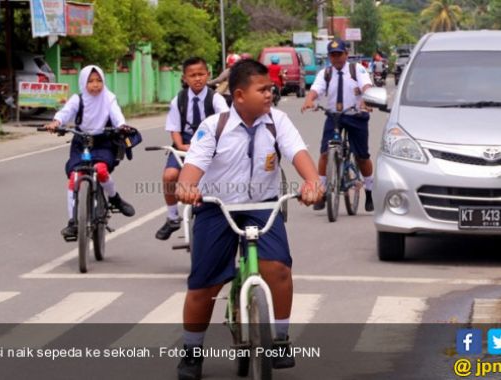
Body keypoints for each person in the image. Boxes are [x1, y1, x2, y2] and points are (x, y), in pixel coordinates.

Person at [174, 59, 323, 380]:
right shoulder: (214, 126)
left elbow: (298, 153)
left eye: (271, 88)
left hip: (262, 205)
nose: (270, 94)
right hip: (217, 207)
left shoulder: (277, 121)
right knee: (204, 285)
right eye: (263, 89)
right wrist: (186, 187)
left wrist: (312, 182)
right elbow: (192, 167)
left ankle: (280, 338)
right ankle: (191, 352)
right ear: (239, 95)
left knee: (279, 269)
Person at [45, 65, 135, 240]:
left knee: (101, 170)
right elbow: (65, 113)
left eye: (99, 80)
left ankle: (114, 198)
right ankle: (73, 221)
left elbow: (117, 115)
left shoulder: (109, 98)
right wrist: (56, 122)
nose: (95, 85)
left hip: (103, 141)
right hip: (81, 141)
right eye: (91, 81)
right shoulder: (77, 99)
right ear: (83, 83)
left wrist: (122, 126)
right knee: (74, 178)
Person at [156, 57, 229, 241]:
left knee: (216, 179)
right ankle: (172, 217)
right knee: (169, 176)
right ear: (184, 78)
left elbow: (224, 124)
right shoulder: (178, 100)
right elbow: (174, 128)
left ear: (208, 75)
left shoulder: (216, 99)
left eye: (201, 74)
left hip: (211, 143)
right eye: (192, 75)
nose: (197, 78)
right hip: (186, 143)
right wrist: (180, 145)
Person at [301, 39, 375, 212]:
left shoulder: (356, 69)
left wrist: (366, 100)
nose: (336, 58)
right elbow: (316, 89)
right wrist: (309, 100)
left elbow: (366, 85)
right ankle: (322, 192)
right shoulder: (325, 73)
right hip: (334, 117)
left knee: (362, 156)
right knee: (325, 153)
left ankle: (370, 192)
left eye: (339, 54)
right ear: (329, 57)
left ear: (346, 54)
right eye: (333, 55)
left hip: (356, 115)